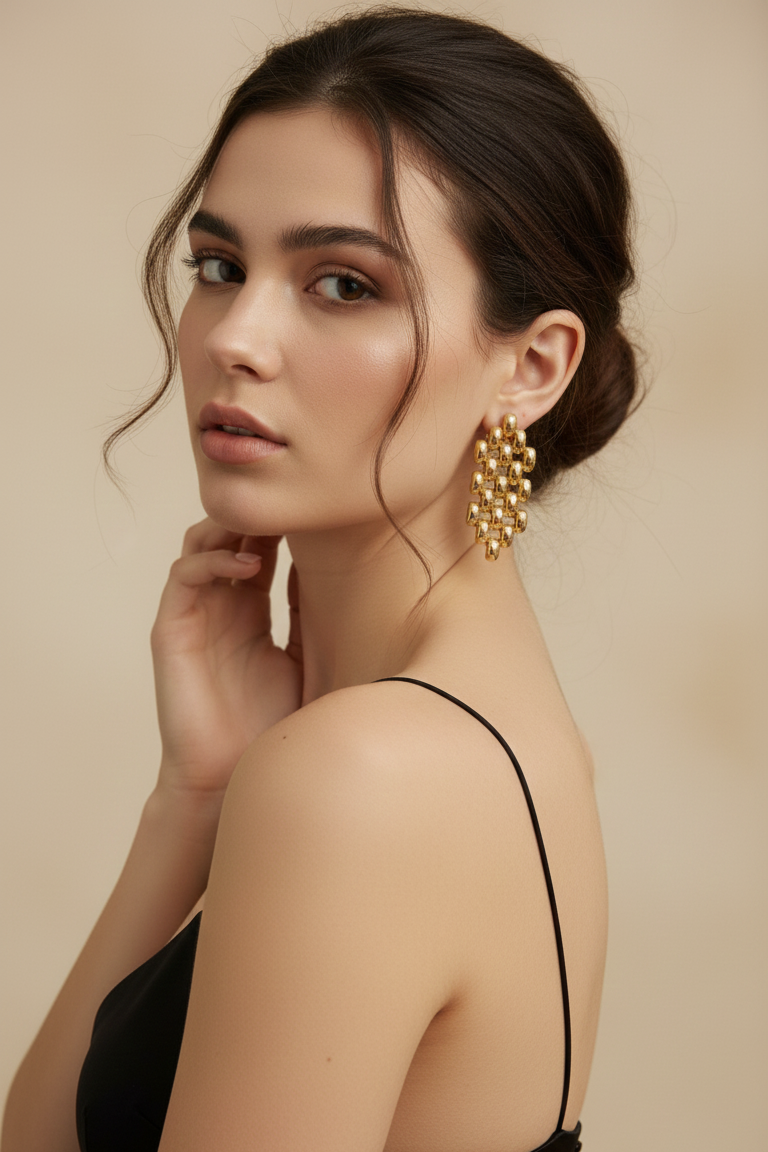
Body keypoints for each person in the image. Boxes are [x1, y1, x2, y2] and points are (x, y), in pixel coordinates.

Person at [1, 7, 640, 1151]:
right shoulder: (495, 732)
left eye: (343, 284)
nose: (235, 336)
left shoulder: (360, 777)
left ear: (531, 365)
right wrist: (191, 800)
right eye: (218, 265)